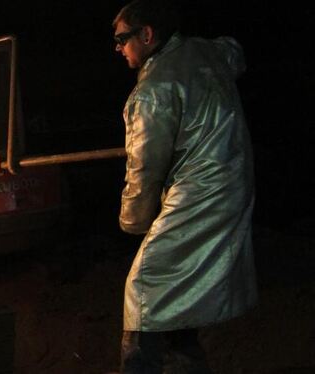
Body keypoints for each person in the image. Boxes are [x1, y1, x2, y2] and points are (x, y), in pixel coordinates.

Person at [112, 1, 257, 372]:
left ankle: (142, 366)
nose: (118, 48)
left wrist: (132, 220)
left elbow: (144, 168)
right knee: (180, 281)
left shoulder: (151, 92)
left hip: (201, 189)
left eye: (122, 39)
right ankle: (187, 361)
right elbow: (234, 52)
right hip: (234, 178)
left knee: (143, 287)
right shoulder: (205, 52)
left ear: (147, 35)